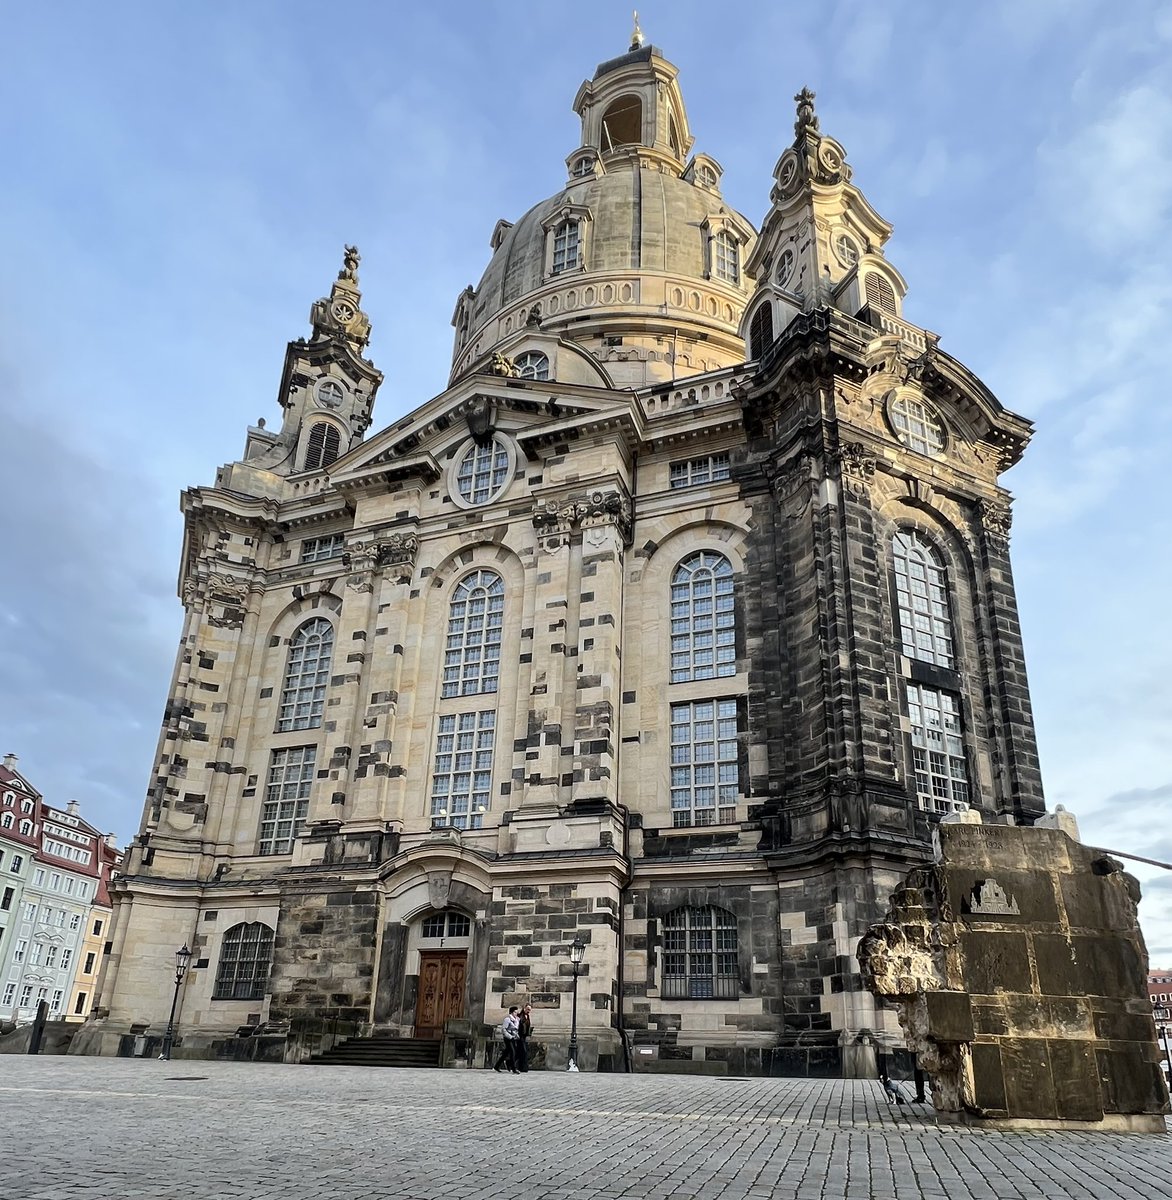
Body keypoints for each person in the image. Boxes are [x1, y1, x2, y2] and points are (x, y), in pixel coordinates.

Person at [494, 1006, 520, 1073]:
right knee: (512, 1052)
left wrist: (516, 1036)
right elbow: (504, 1029)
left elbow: (516, 1030)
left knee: (506, 1053)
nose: (516, 1013)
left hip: (514, 1038)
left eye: (517, 1012)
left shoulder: (517, 1020)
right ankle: (513, 1068)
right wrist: (509, 1036)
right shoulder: (507, 1019)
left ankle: (497, 1066)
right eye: (515, 1012)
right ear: (511, 1012)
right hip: (508, 1038)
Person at [515, 1004, 533, 1072]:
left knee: (520, 1052)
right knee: (523, 1051)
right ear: (524, 1008)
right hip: (519, 1036)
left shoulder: (527, 1016)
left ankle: (519, 1066)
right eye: (528, 1009)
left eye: (530, 1010)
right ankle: (522, 1067)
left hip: (524, 1036)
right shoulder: (520, 1016)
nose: (529, 1011)